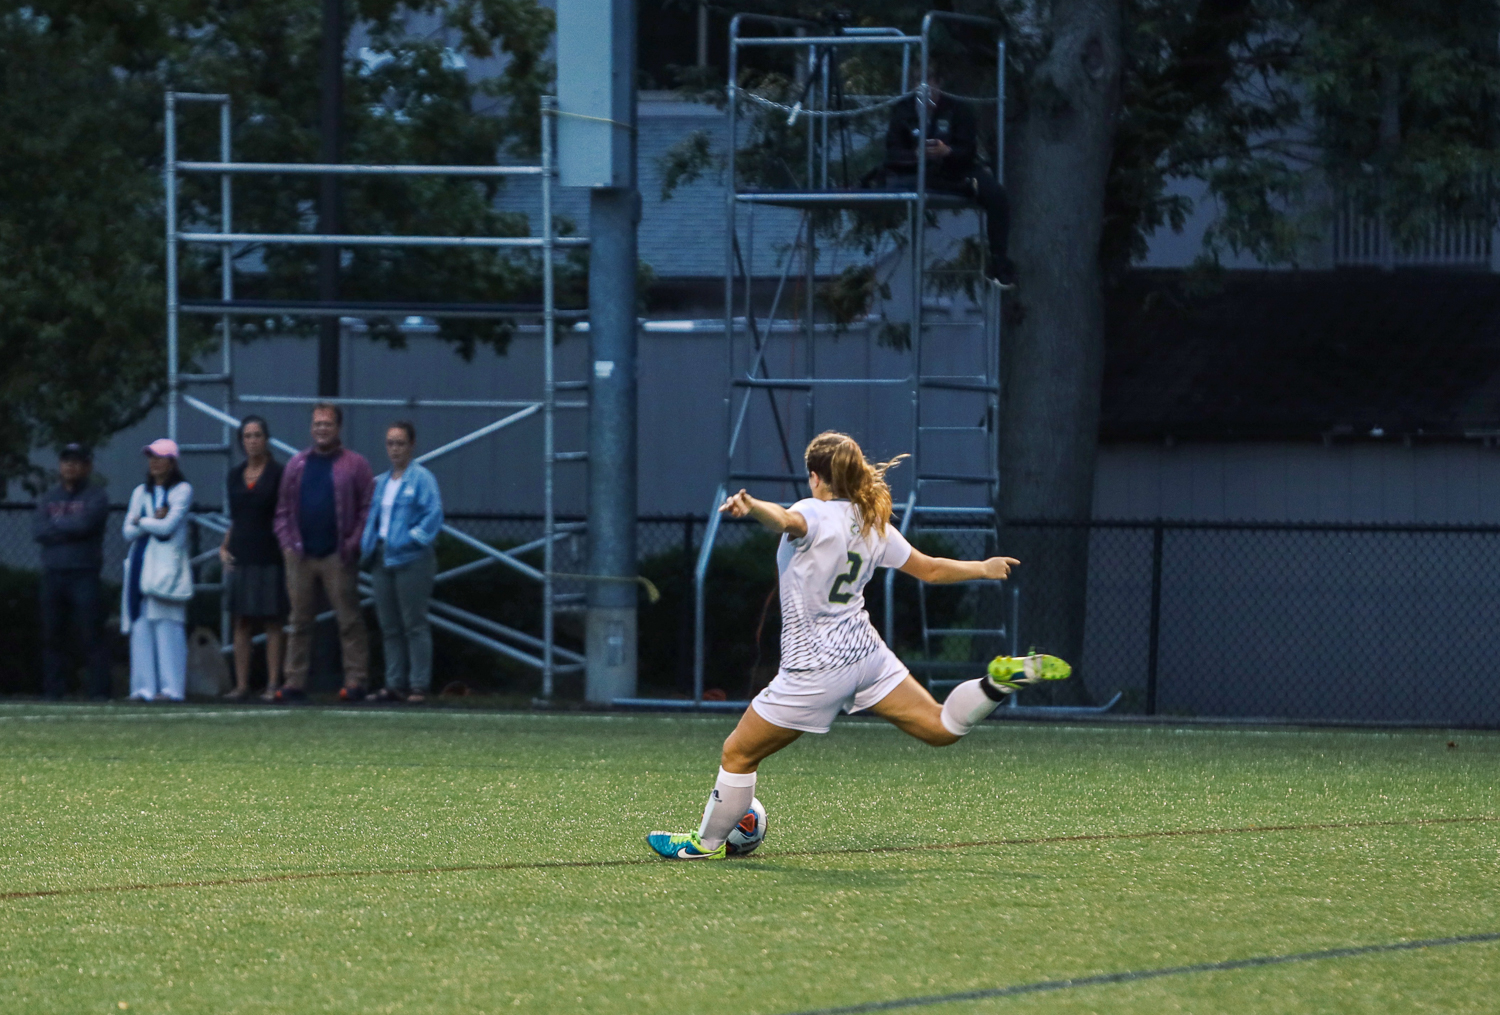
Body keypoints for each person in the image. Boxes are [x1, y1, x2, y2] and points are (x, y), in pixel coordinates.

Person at [646, 431, 1065, 860]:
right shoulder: (871, 521)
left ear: (815, 477)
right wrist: (983, 566)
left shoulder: (814, 512)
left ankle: (706, 844)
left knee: (737, 753)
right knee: (941, 728)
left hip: (815, 667)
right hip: (866, 656)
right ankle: (997, 683)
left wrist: (752, 507)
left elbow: (787, 520)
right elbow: (932, 570)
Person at [273, 403, 374, 702]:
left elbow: (367, 507)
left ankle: (356, 680)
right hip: (301, 555)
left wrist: (353, 542)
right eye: (317, 424)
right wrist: (288, 544)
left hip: (337, 554)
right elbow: (282, 511)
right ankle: (294, 681)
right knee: (299, 621)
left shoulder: (356, 464)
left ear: (338, 427)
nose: (321, 429)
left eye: (327, 424)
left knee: (349, 620)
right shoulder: (296, 464)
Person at [884, 68, 1016, 288]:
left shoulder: (958, 109)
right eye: (918, 79)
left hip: (957, 168)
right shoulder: (903, 110)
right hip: (917, 172)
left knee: (996, 193)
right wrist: (916, 154)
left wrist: (948, 151)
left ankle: (999, 261)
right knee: (910, 181)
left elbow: (968, 150)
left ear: (939, 82)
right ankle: (961, 187)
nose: (924, 86)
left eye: (929, 79)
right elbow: (892, 152)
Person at [361, 421, 444, 703]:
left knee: (414, 623)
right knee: (389, 625)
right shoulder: (380, 482)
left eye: (400, 443)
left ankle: (418, 685)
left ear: (412, 445)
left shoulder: (422, 479)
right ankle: (394, 684)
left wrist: (410, 540)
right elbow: (372, 519)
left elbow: (432, 516)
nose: (394, 449)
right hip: (382, 558)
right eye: (390, 443)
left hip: (412, 559)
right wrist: (369, 545)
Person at [32, 443, 112, 700]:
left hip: (84, 573)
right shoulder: (49, 496)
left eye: (77, 461)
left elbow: (86, 524)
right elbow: (38, 531)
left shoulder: (96, 496)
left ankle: (99, 692)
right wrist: (68, 527)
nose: (70, 466)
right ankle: (53, 692)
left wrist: (57, 525)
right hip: (53, 573)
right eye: (66, 461)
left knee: (91, 634)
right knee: (52, 636)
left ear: (87, 466)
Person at [219, 416, 288, 701]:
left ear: (266, 439)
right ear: (241, 441)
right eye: (247, 436)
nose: (252, 441)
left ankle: (273, 684)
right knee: (242, 622)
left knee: (273, 621)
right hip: (241, 553)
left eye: (257, 435)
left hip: (270, 553)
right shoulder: (234, 475)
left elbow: (285, 515)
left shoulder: (278, 473)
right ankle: (241, 685)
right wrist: (224, 546)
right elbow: (236, 518)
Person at [121, 439, 195, 702]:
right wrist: (150, 520)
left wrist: (141, 520)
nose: (154, 462)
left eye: (160, 457)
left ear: (172, 462)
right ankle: (143, 688)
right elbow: (127, 532)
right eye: (151, 457)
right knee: (141, 625)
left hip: (166, 567)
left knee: (168, 626)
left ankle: (171, 689)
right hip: (140, 564)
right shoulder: (141, 492)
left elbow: (168, 527)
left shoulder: (182, 490)